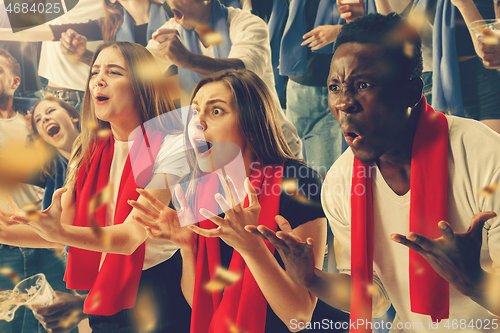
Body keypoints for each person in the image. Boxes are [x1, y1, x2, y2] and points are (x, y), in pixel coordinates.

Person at [249, 13, 500, 333]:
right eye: (334, 87)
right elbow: (374, 295)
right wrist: (311, 279)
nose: (343, 103)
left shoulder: (485, 158)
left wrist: (474, 281)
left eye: (362, 85)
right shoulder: (340, 183)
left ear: (411, 91)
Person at [0, 41, 191, 332]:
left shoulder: (173, 145)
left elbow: (130, 237)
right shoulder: (87, 148)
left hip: (159, 289)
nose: (98, 80)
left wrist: (60, 231)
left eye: (114, 72)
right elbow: (62, 235)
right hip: (104, 292)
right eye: (94, 72)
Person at [130, 69, 327, 332]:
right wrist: (187, 246)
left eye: (216, 111)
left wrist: (252, 248)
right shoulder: (199, 190)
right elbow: (200, 302)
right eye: (194, 112)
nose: (198, 122)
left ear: (252, 125)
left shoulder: (298, 181)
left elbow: (300, 316)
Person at [147, 0, 303, 158]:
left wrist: (189, 60)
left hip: (269, 147)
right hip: (215, 155)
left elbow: (242, 75)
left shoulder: (249, 24)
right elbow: (137, 67)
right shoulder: (172, 29)